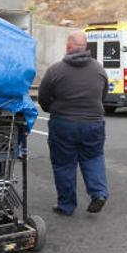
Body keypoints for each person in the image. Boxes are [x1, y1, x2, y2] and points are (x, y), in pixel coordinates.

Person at [38, 30, 110, 215]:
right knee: (93, 158)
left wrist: (54, 108)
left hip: (64, 123)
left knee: (64, 164)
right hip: (93, 123)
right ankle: (99, 193)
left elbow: (43, 99)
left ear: (68, 47)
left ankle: (67, 206)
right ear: (85, 47)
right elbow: (103, 96)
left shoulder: (55, 70)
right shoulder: (99, 69)